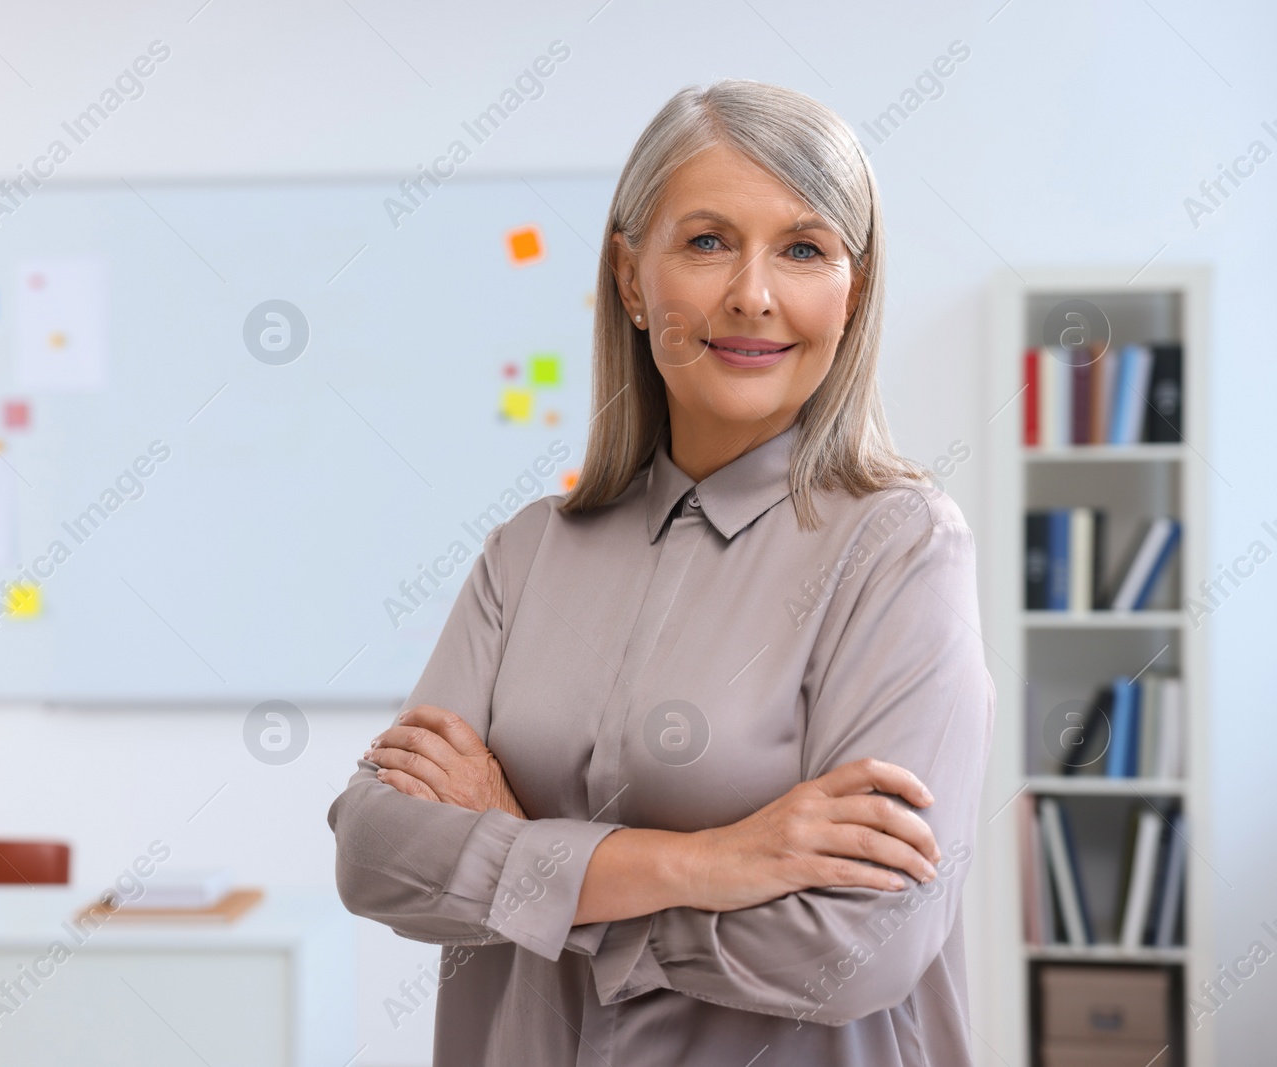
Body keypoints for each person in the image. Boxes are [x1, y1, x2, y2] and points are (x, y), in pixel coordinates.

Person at [327, 77, 994, 1065]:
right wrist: (709, 862)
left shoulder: (900, 550)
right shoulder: (528, 552)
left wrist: (529, 871)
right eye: (707, 241)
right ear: (632, 277)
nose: (753, 294)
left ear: (851, 293)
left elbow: (857, 947)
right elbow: (376, 852)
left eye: (803, 248)